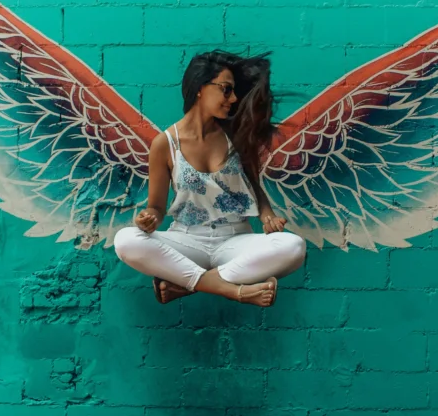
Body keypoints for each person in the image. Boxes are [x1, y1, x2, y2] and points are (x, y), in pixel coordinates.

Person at [114, 51, 306, 307]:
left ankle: (185, 286)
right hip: (187, 240)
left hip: (235, 240)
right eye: (226, 90)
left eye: (234, 91)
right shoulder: (165, 144)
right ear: (200, 88)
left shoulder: (237, 135)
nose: (234, 98)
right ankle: (232, 290)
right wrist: (148, 219)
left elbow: (254, 187)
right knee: (126, 240)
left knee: (293, 246)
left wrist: (268, 216)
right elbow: (157, 208)